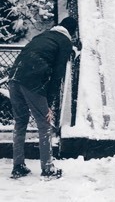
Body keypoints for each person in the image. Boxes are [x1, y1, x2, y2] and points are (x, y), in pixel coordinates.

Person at [8, 16, 78, 181]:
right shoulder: (65, 42)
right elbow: (57, 75)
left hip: (14, 77)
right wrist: (50, 105)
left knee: (20, 123)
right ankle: (48, 169)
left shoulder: (43, 36)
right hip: (32, 80)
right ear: (72, 32)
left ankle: (18, 166)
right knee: (45, 125)